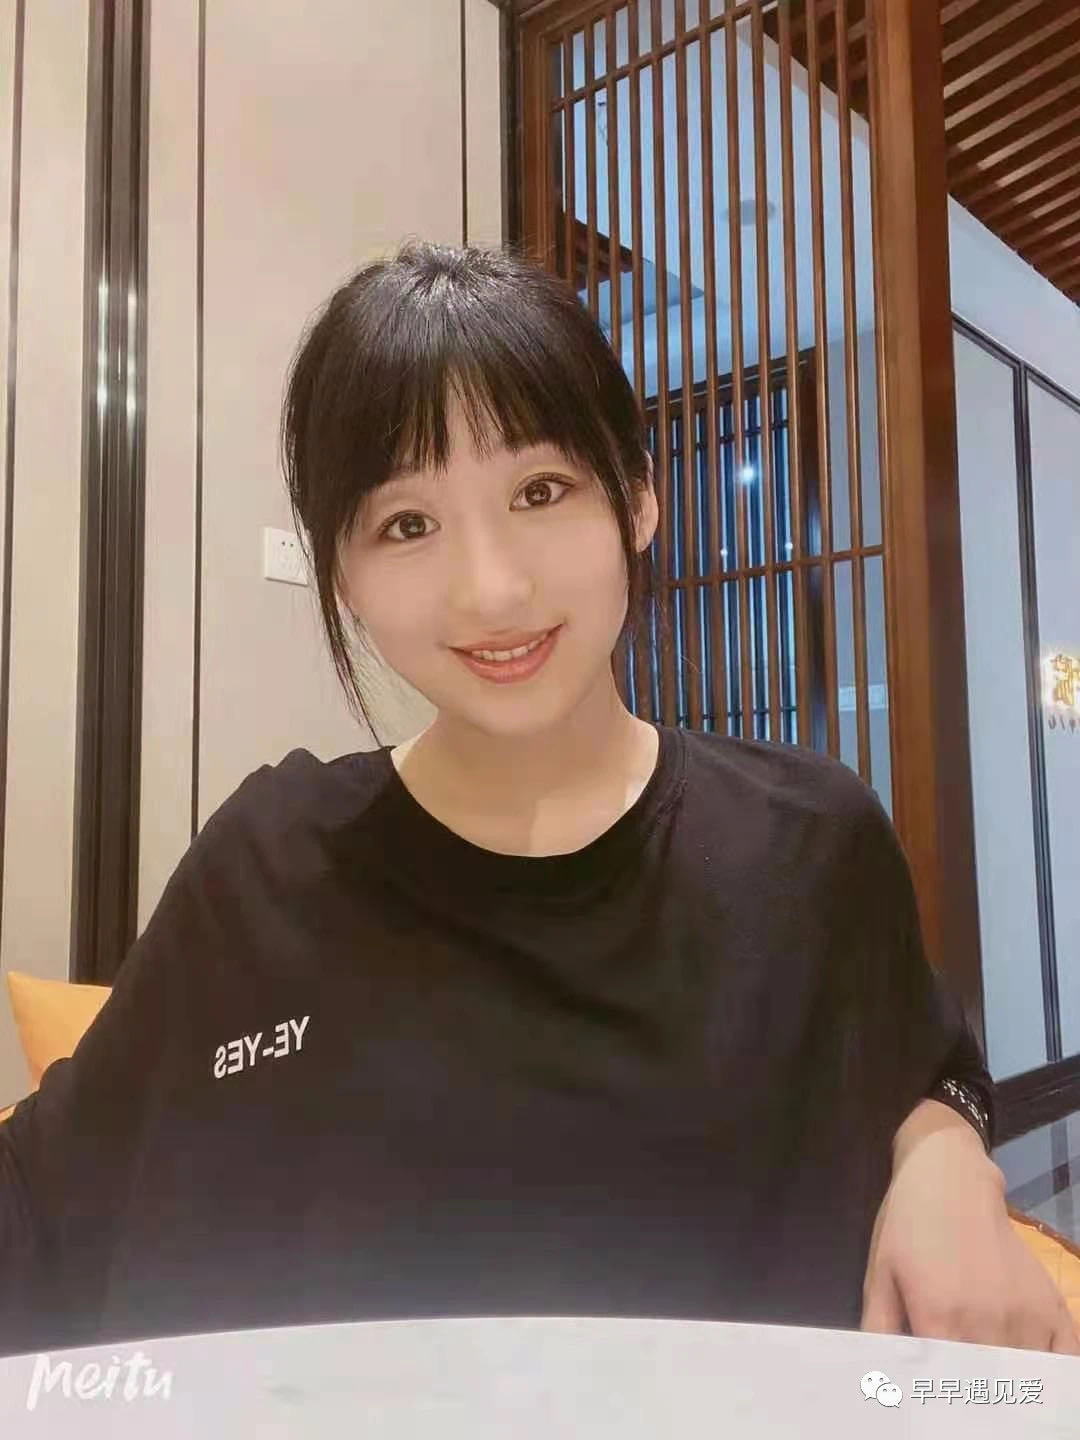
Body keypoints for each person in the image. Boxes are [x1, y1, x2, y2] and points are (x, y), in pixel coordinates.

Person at [0, 242, 1075, 1359]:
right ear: (344, 577)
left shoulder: (810, 840)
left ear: (639, 496)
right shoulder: (268, 866)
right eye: (406, 524)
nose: (491, 589)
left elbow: (927, 1065)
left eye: (540, 491)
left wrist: (945, 1155)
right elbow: (49, 1196)